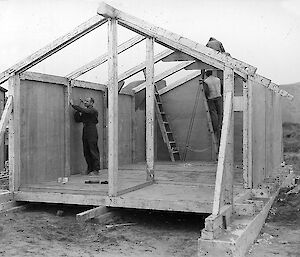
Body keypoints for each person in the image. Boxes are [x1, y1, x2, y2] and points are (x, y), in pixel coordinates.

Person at [70, 97, 100, 176]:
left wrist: (74, 105)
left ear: (92, 103)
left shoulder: (93, 111)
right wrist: (77, 110)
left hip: (92, 130)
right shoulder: (85, 112)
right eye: (85, 101)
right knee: (86, 151)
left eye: (87, 101)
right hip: (85, 130)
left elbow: (84, 110)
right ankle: (89, 169)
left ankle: (96, 170)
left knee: (93, 150)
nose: (85, 102)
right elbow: (78, 119)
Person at [203, 70, 223, 145]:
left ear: (206, 74)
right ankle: (220, 126)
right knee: (219, 113)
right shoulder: (217, 79)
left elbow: (206, 91)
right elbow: (221, 88)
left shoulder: (206, 81)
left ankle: (215, 128)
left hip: (211, 98)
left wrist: (206, 97)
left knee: (213, 113)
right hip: (218, 97)